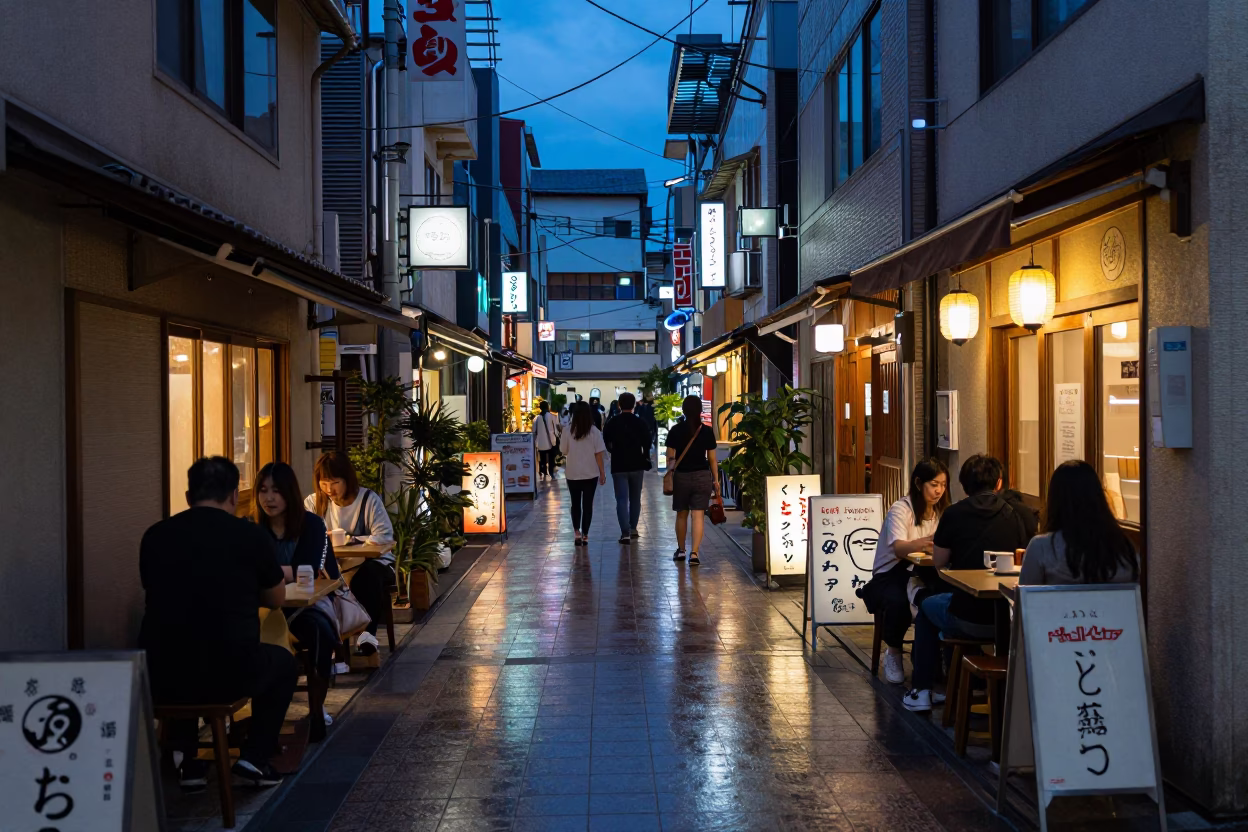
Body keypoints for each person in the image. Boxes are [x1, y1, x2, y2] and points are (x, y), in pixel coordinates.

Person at [140, 456, 295, 790]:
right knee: (282, 663)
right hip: (230, 673)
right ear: (233, 496)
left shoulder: (155, 536)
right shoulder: (249, 535)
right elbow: (276, 600)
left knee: (182, 643)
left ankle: (189, 762)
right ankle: (254, 756)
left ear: (187, 497)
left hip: (159, 675)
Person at [904, 454, 1036, 711]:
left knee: (928, 608)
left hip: (966, 617)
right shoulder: (1020, 514)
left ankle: (922, 691)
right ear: (999, 483)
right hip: (1013, 622)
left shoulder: (953, 514)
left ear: (964, 485)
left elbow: (940, 564)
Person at [253, 462, 341, 729]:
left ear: (290, 493)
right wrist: (283, 573)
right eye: (264, 490)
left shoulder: (311, 524)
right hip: (264, 607)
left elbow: (308, 569)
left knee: (320, 632)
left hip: (304, 606)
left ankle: (316, 709)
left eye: (277, 491)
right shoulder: (252, 528)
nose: (269, 498)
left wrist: (267, 573)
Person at [304, 451, 395, 657]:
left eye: (334, 483)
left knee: (366, 577)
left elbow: (385, 535)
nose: (329, 489)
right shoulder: (313, 503)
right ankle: (332, 640)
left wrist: (350, 541)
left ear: (347, 479)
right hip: (333, 566)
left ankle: (367, 637)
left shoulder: (368, 500)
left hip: (374, 564)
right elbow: (305, 535)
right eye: (323, 483)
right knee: (321, 582)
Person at [871, 458, 950, 684]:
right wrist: (926, 542)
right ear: (918, 483)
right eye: (934, 484)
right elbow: (899, 547)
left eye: (943, 485)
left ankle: (929, 657)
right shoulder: (901, 509)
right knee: (898, 602)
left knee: (938, 598)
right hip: (891, 573)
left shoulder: (942, 512)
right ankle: (894, 652)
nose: (939, 491)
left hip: (925, 572)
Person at [1020, 459, 1138, 585]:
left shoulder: (1042, 547)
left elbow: (1025, 601)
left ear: (1054, 501)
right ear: (1099, 498)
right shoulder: (1125, 549)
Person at [665, 395, 720, 566]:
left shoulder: (675, 430)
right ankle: (694, 554)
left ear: (683, 410)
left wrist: (671, 469)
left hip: (682, 476)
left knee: (681, 514)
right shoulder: (707, 431)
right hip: (702, 476)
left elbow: (670, 456)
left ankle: (681, 550)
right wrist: (716, 481)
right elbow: (712, 459)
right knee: (698, 515)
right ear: (700, 411)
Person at [602, 392, 652, 544]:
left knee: (622, 499)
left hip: (619, 465)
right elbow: (648, 442)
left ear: (619, 404)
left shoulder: (612, 422)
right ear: (634, 405)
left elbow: (606, 440)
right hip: (637, 464)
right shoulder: (640, 422)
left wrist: (613, 451)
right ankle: (633, 528)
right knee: (635, 498)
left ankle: (625, 533)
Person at [559, 400, 607, 545]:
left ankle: (576, 532)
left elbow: (563, 451)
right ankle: (586, 533)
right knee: (588, 504)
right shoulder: (594, 432)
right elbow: (599, 454)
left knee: (575, 503)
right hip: (590, 474)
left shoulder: (567, 431)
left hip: (572, 473)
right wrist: (602, 473)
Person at [532, 400, 561, 480]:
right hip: (551, 441)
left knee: (542, 457)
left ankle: (543, 471)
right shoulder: (552, 416)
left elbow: (534, 431)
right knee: (551, 458)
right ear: (547, 407)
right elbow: (555, 429)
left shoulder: (536, 418)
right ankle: (551, 473)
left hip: (541, 442)